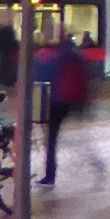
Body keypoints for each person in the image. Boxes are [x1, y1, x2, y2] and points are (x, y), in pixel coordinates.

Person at [36, 34, 91, 186]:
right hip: (71, 100)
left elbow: (44, 78)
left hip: (56, 101)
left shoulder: (54, 57)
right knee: (77, 139)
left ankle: (50, 175)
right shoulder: (76, 56)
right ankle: (95, 162)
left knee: (51, 139)